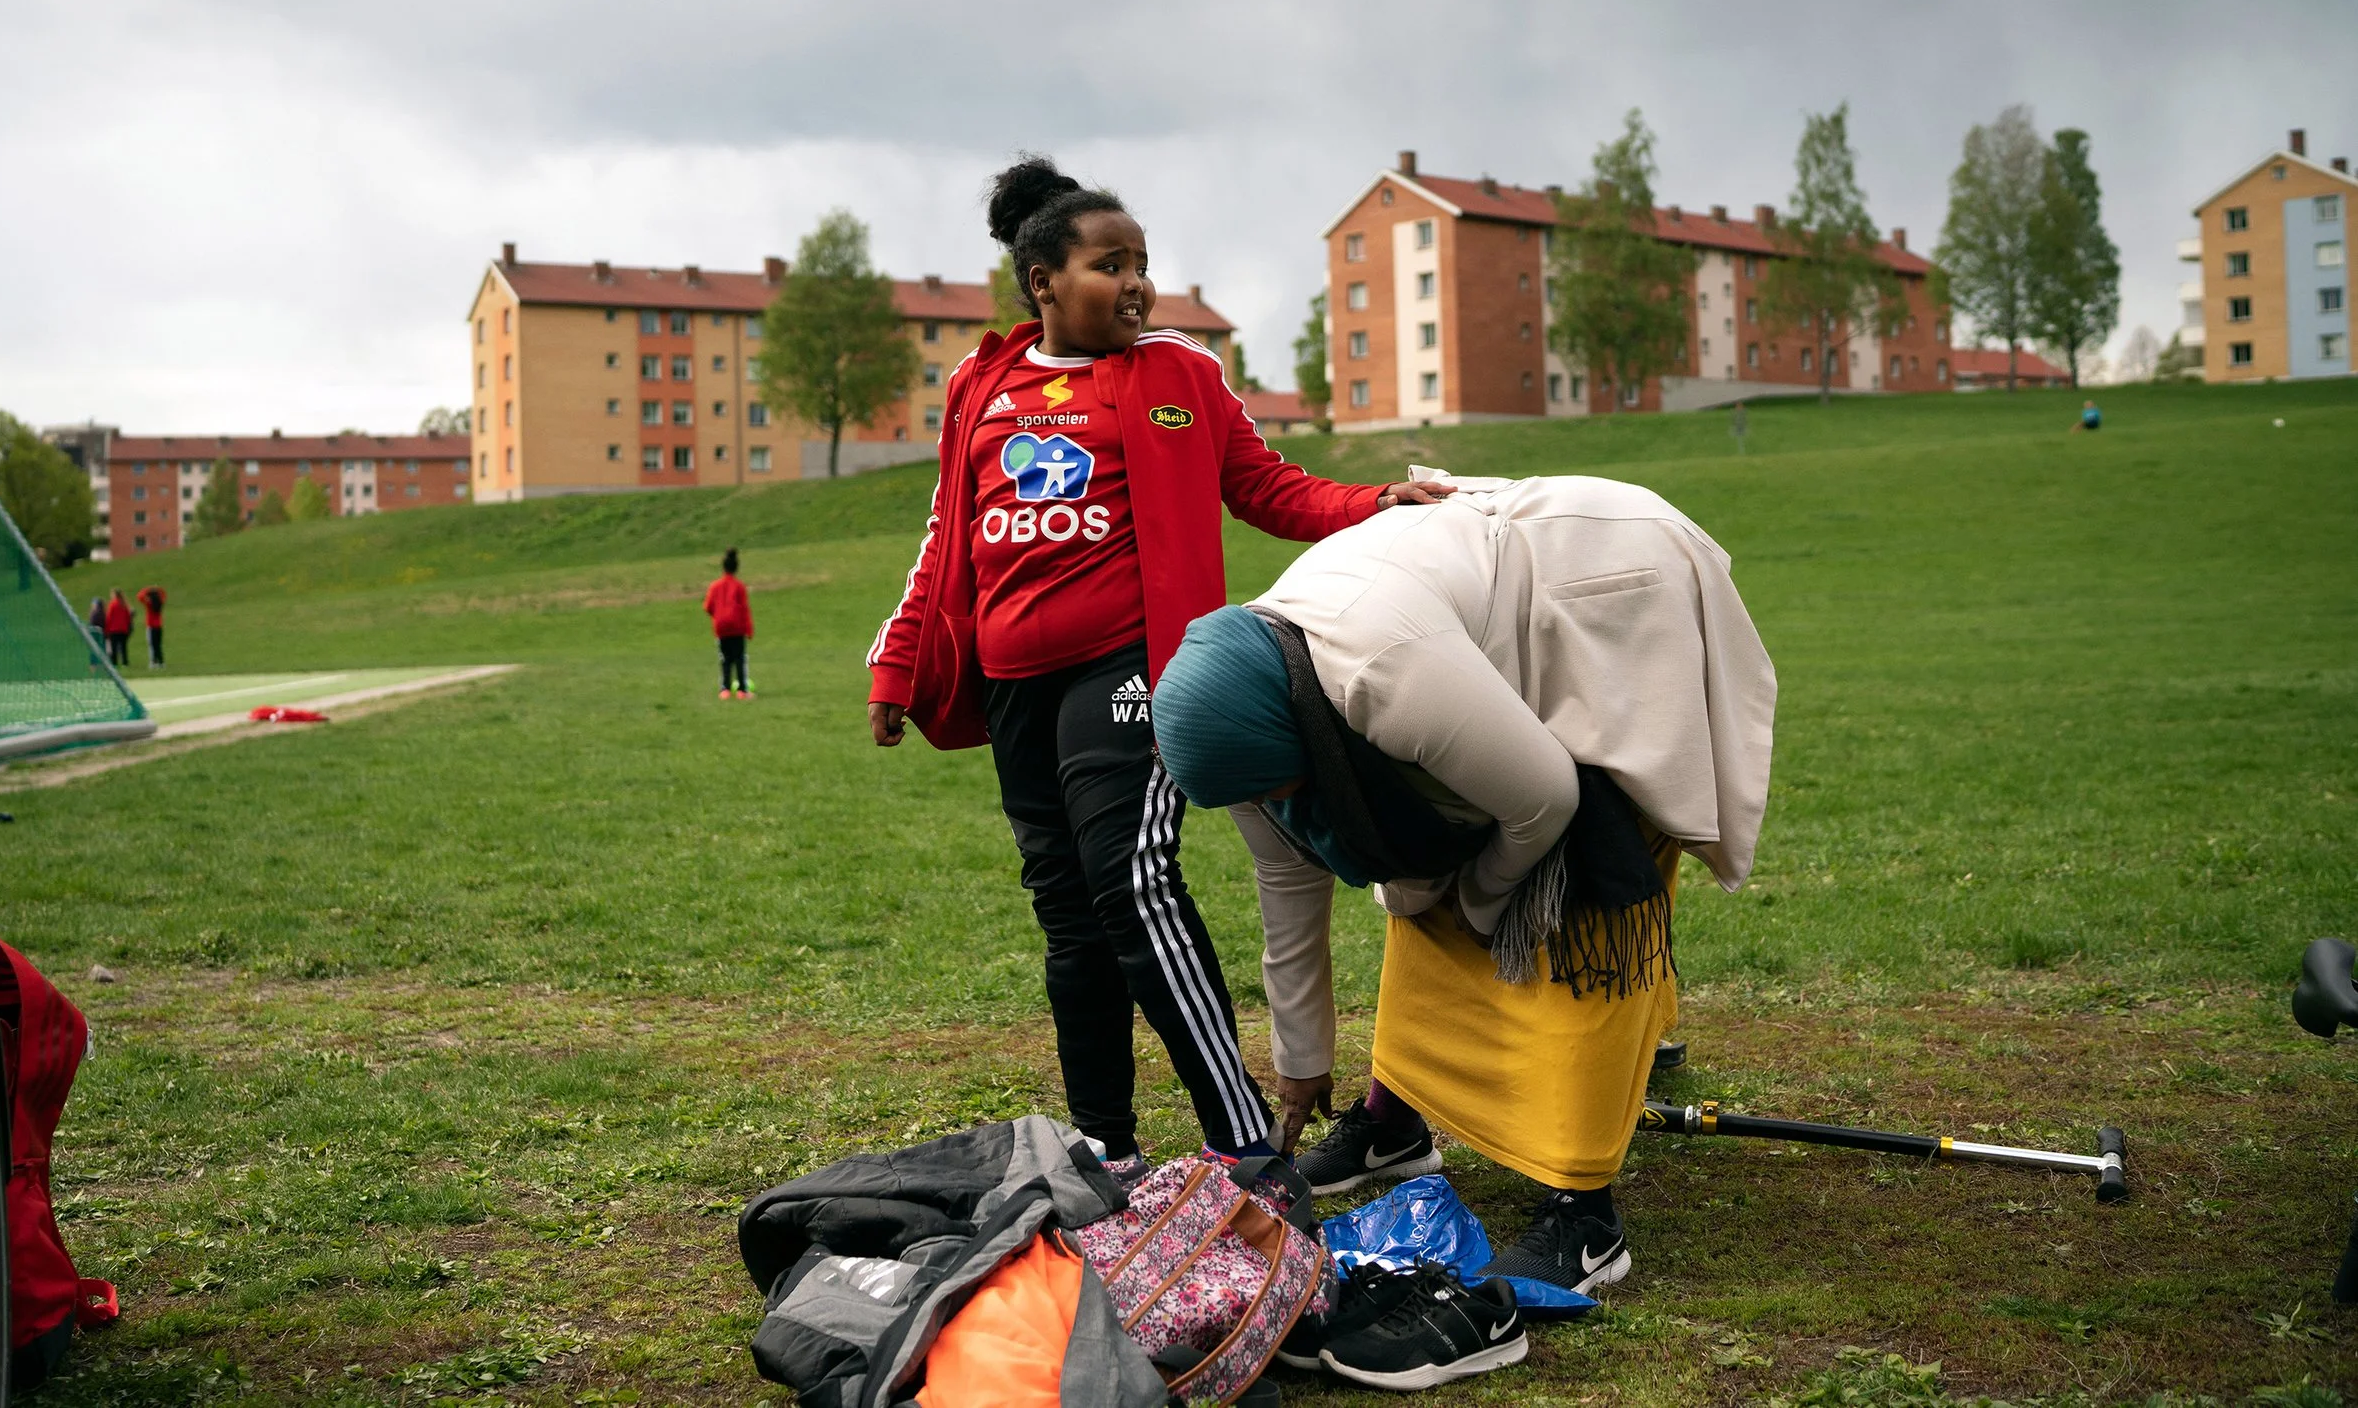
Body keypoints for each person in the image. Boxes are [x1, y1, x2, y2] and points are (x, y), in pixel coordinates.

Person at [867, 156, 1448, 1179]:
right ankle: (1108, 1144)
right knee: (1066, 912)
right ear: (1043, 280)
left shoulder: (1182, 373)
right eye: (1108, 264)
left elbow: (1268, 487)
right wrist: (898, 660)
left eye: (1143, 264)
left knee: (1130, 881)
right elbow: (944, 537)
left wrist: (1375, 502)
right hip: (1012, 682)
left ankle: (1240, 1149)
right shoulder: (980, 384)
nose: (1136, 283)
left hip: (1130, 669)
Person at [1151, 471, 1774, 1379]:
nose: (1277, 806)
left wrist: (1486, 909)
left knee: (1576, 893)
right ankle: (1392, 1122)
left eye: (1281, 789)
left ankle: (1585, 1213)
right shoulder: (1249, 723)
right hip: (1480, 621)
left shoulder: (1377, 669)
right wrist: (1299, 1062)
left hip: (1611, 590)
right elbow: (1286, 887)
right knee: (1418, 872)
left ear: (1295, 736)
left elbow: (1545, 799)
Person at [705, 549, 754, 700]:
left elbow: (707, 607)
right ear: (736, 568)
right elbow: (744, 609)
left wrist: (718, 616)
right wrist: (749, 629)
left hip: (721, 628)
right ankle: (742, 691)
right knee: (739, 659)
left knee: (725, 660)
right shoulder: (739, 586)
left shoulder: (714, 586)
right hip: (737, 628)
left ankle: (724, 690)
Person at [102, 588, 133, 668]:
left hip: (114, 629)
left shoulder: (112, 604)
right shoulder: (124, 604)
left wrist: (106, 629)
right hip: (123, 629)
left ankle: (114, 663)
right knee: (123, 647)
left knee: (114, 647)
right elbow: (128, 617)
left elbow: (109, 617)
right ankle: (125, 662)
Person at [137, 584, 166, 668]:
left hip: (151, 626)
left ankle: (153, 662)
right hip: (159, 626)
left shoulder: (149, 603)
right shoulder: (160, 603)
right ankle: (161, 662)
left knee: (151, 645)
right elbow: (164, 594)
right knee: (158, 644)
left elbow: (139, 596)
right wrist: (158, 589)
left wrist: (148, 589)